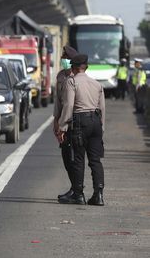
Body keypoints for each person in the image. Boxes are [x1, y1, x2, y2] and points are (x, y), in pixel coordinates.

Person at [57, 54, 106, 206]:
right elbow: (102, 108)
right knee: (95, 160)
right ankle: (98, 195)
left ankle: (78, 194)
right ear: (87, 67)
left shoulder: (71, 82)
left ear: (73, 68)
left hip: (80, 122)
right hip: (96, 121)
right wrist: (101, 127)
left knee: (78, 159)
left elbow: (69, 105)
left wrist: (62, 126)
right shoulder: (97, 84)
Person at [53, 45, 78, 201]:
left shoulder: (77, 77)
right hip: (62, 119)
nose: (63, 60)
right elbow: (58, 102)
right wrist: (56, 121)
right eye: (62, 58)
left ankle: (77, 189)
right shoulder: (61, 76)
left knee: (76, 158)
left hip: (75, 122)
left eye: (66, 58)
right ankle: (74, 187)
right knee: (66, 156)